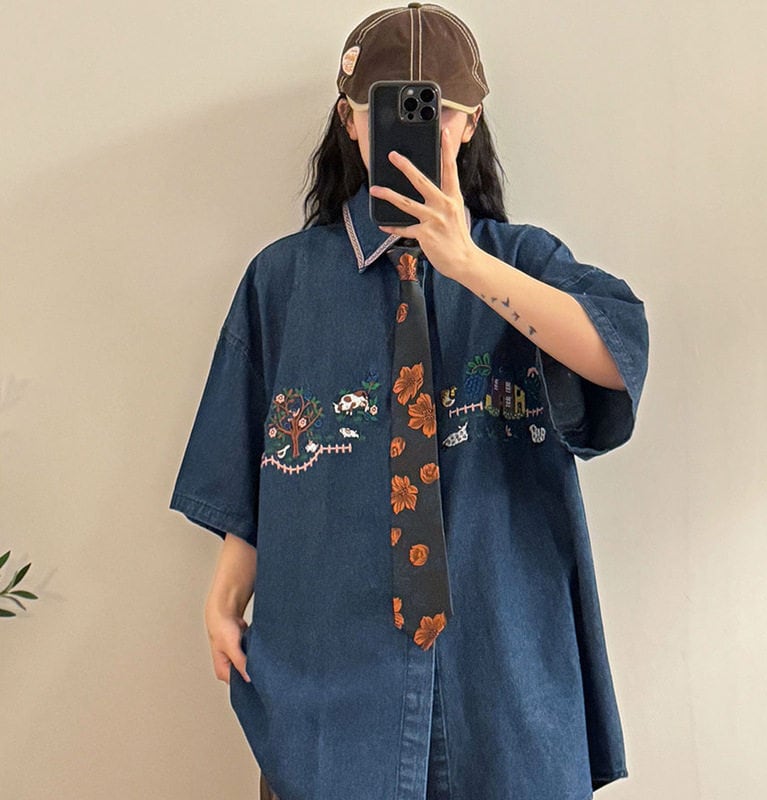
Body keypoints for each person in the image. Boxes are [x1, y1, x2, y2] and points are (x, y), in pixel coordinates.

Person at [169, 4, 649, 799]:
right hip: (330, 688)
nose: (419, 130)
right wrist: (223, 600)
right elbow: (251, 465)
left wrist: (465, 264)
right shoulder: (282, 283)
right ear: (349, 119)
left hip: (501, 683)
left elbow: (615, 357)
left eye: (440, 110)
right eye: (388, 108)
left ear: (470, 123)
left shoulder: (521, 263)